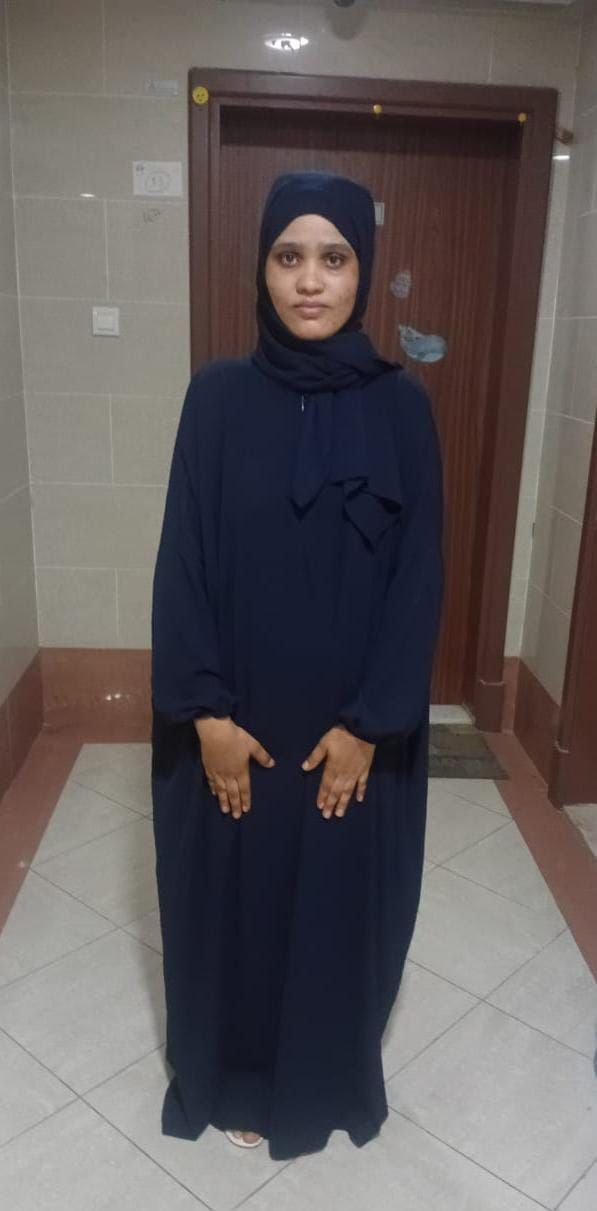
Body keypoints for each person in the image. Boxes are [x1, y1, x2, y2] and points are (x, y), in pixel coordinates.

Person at [150, 169, 444, 1161]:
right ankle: (235, 1072)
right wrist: (205, 714)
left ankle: (318, 1075)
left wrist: (372, 725)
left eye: (334, 257)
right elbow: (183, 559)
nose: (309, 280)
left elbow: (418, 579)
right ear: (262, 268)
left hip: (349, 729)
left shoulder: (402, 409)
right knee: (236, 904)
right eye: (288, 256)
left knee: (336, 911)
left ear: (362, 271)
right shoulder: (217, 399)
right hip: (238, 719)